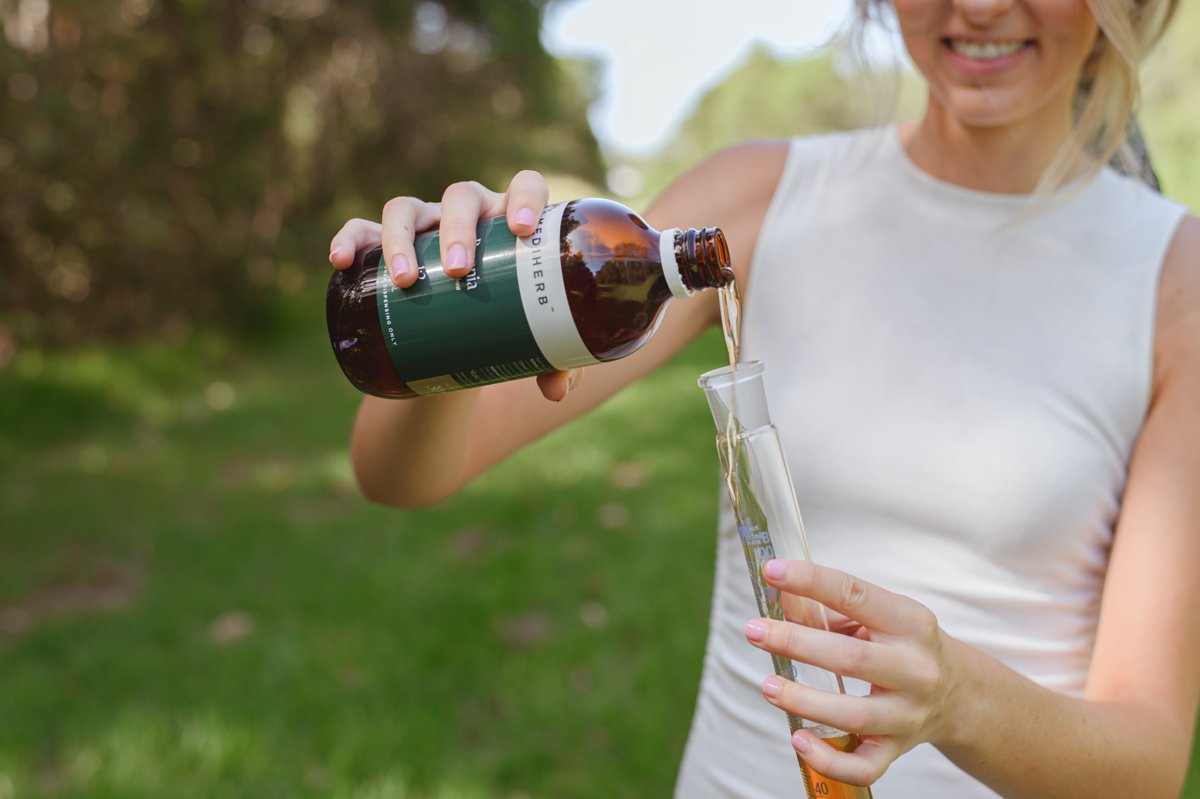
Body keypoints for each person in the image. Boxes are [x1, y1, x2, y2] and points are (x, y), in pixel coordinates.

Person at [328, 0, 1200, 795]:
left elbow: (1149, 765)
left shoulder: (1174, 280)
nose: (977, 7)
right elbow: (401, 475)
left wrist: (958, 700)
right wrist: (451, 309)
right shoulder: (760, 196)